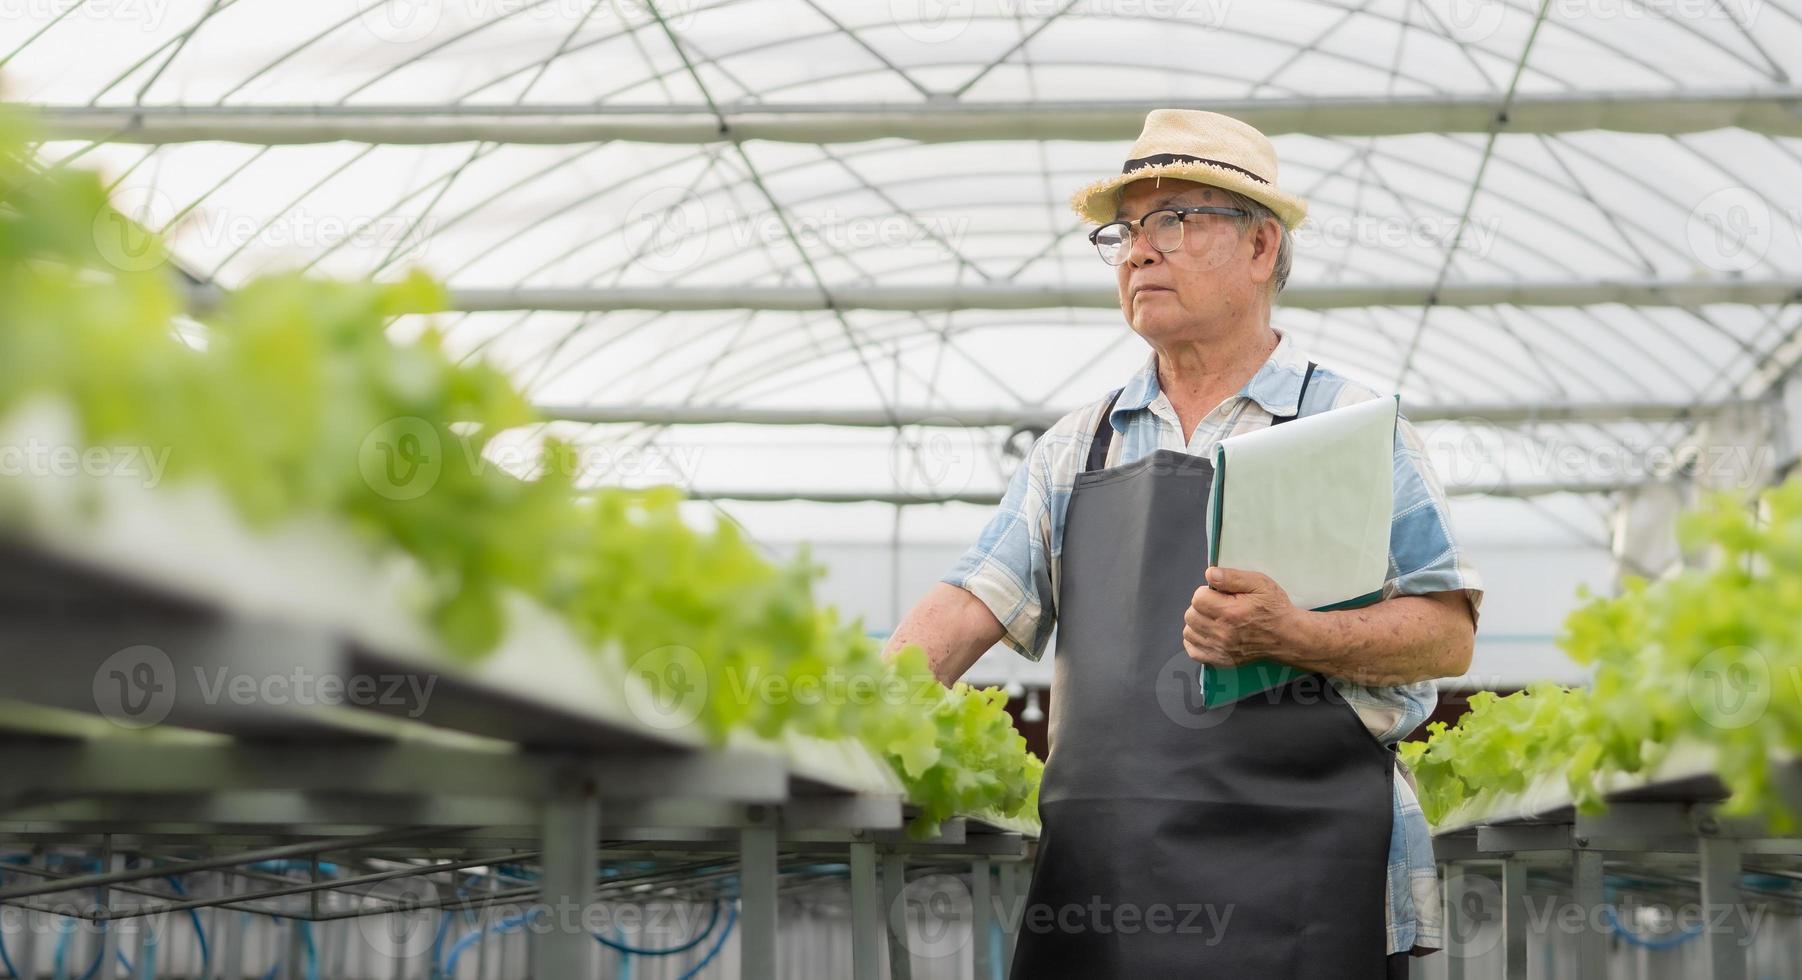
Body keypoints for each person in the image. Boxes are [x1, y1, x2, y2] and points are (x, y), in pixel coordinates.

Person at [884, 108, 1483, 978]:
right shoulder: (1079, 444)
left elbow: (1446, 629)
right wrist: (851, 719)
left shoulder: (1353, 428)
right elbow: (968, 603)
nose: (1138, 250)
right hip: (1108, 893)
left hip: (1311, 884)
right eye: (1125, 231)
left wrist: (1296, 637)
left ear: (1261, 248)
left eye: (1176, 220)